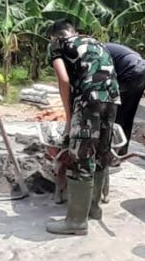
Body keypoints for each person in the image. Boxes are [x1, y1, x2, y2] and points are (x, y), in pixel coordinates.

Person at [46, 20, 120, 235]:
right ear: (74, 31)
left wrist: (69, 117)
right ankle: (93, 210)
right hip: (112, 99)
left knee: (81, 156)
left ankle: (76, 222)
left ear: (55, 36)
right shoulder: (95, 43)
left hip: (88, 101)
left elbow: (63, 78)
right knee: (100, 153)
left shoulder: (58, 45)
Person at [103, 41, 145, 155]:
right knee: (127, 115)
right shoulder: (104, 47)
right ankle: (121, 151)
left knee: (114, 114)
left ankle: (111, 153)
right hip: (142, 70)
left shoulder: (93, 52)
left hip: (129, 72)